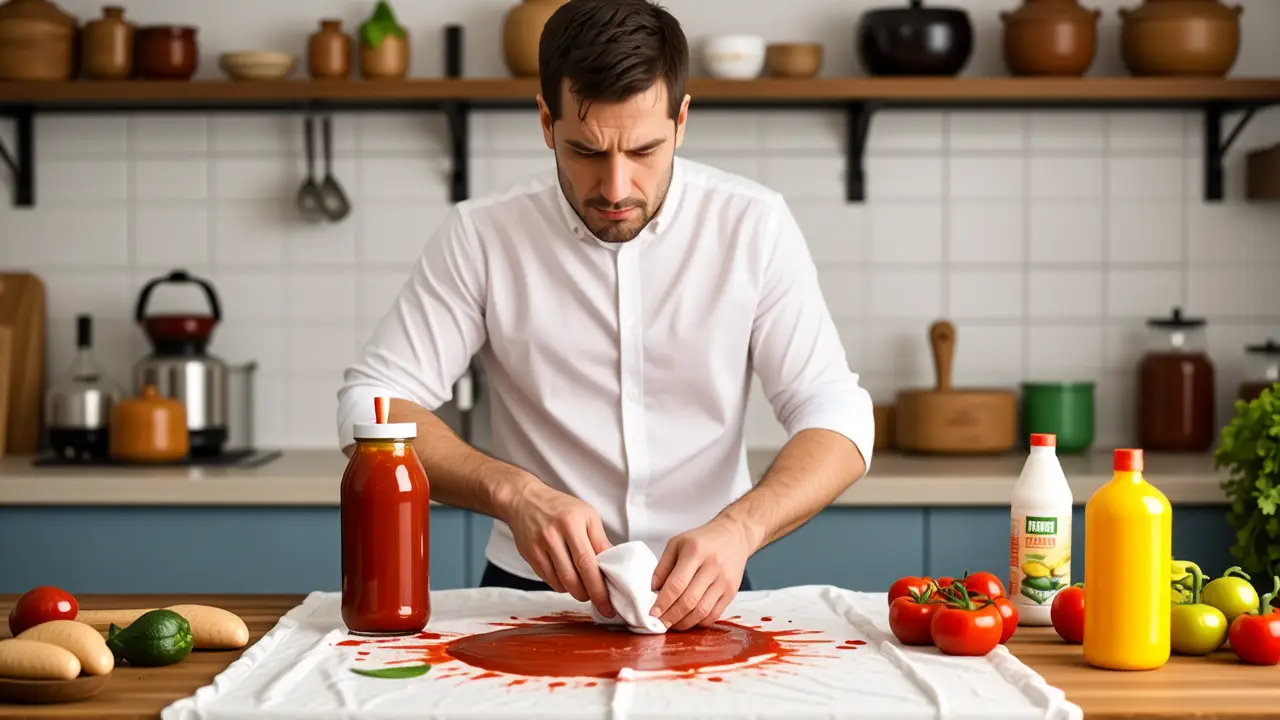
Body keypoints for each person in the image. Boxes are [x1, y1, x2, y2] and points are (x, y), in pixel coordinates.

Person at [336, 0, 874, 632]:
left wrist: (741, 527)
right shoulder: (482, 235)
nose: (616, 188)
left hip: (709, 585)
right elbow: (370, 404)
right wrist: (515, 494)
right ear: (546, 121)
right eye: (586, 150)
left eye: (644, 150)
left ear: (681, 120)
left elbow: (835, 412)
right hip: (530, 592)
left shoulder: (753, 225)